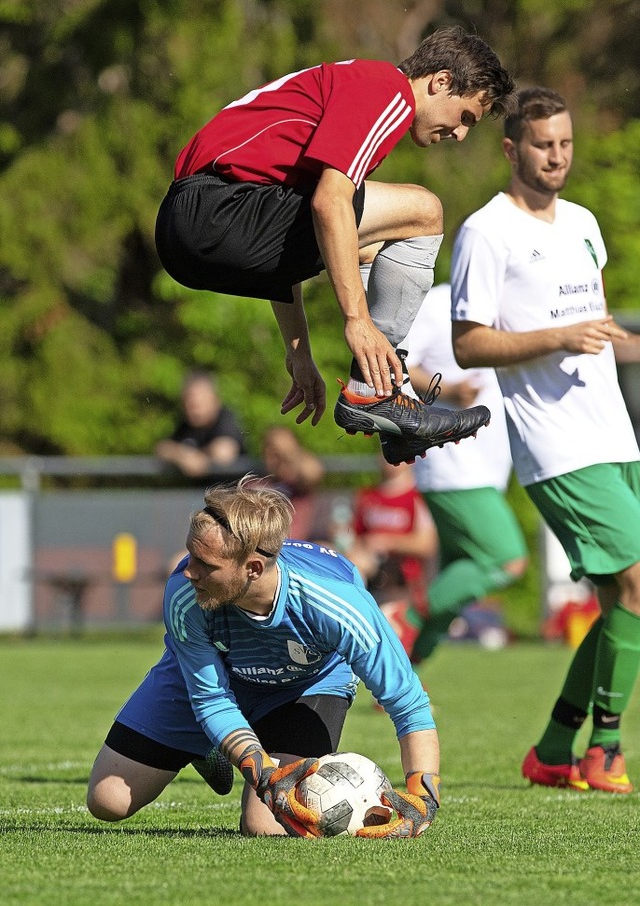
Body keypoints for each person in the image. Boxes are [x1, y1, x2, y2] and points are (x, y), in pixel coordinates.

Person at [155, 27, 516, 465]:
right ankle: (377, 390)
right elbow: (328, 202)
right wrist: (357, 320)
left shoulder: (355, 86)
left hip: (187, 233)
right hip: (210, 213)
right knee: (423, 212)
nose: (459, 135)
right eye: (465, 118)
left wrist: (299, 352)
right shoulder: (387, 92)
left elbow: (283, 235)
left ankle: (384, 398)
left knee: (360, 245)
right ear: (440, 82)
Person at [449, 86, 640, 794]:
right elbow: (467, 344)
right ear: (511, 149)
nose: (556, 156)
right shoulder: (485, 232)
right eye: (542, 144)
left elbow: (593, 327)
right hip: (555, 445)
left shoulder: (586, 223)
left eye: (564, 143)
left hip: (614, 435)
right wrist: (557, 336)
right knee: (637, 586)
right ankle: (606, 748)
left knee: (627, 598)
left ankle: (554, 747)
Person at [86, 476, 441, 838]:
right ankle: (210, 746)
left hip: (306, 684)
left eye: (205, 564)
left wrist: (423, 799)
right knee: (107, 801)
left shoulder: (337, 603)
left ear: (253, 568)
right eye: (191, 555)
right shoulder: (185, 592)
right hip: (213, 679)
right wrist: (262, 769)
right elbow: (211, 698)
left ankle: (224, 741)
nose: (188, 570)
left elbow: (406, 701)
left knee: (264, 826)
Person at [399, 282, 528, 662]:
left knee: (460, 575)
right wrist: (449, 390)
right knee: (506, 559)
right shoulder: (440, 302)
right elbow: (398, 363)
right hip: (451, 462)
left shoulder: (509, 304)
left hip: (484, 470)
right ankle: (401, 617)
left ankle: (404, 684)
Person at [348, 457, 438, 655]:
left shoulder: (417, 497)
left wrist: (388, 541)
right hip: (370, 569)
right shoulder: (368, 495)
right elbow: (353, 536)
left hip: (403, 576)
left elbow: (426, 544)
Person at [155, 369, 247, 479]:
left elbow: (224, 453)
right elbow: (162, 448)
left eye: (197, 402)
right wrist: (182, 456)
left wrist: (198, 457)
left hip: (231, 494)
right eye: (188, 401)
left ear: (214, 400)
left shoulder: (225, 418)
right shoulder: (187, 424)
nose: (192, 407)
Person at [258, 425, 325, 540]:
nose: (273, 457)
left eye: (277, 453)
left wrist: (287, 455)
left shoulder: (297, 481)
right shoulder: (256, 481)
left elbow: (313, 472)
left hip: (296, 542)